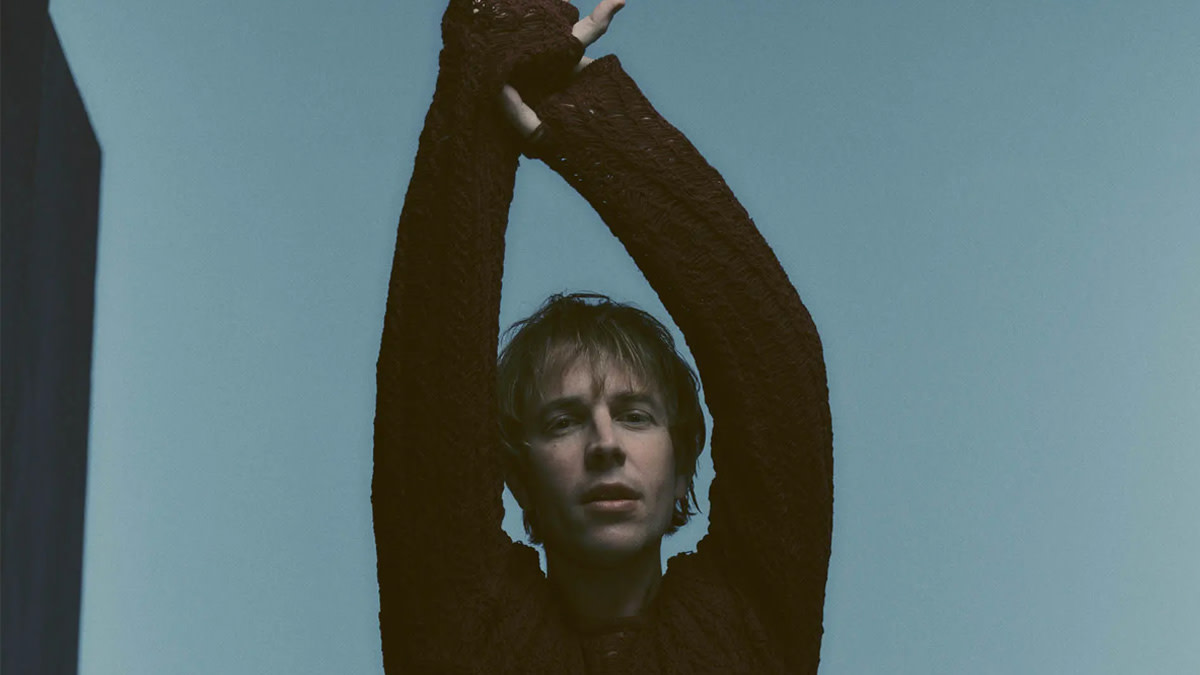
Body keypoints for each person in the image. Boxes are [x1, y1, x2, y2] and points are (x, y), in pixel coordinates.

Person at [372, 1, 833, 672]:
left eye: (636, 414)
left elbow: (775, 364)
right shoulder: (464, 636)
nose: (605, 445)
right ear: (518, 478)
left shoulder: (750, 626)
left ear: (685, 464)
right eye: (563, 421)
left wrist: (593, 129)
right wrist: (482, 91)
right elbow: (428, 388)